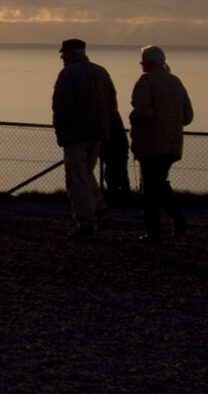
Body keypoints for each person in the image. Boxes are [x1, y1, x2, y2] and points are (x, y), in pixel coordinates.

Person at [51, 37, 117, 238]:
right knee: (87, 173)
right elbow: (112, 104)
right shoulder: (101, 72)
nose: (62, 57)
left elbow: (61, 106)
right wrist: (105, 127)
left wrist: (60, 129)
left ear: (71, 53)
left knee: (76, 177)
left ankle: (86, 222)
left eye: (64, 53)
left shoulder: (68, 74)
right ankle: (99, 210)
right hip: (98, 133)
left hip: (75, 134)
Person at [129, 45, 194, 244]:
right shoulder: (175, 82)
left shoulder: (146, 81)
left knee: (150, 187)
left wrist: (134, 118)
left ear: (149, 63)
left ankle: (157, 229)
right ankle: (174, 218)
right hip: (173, 143)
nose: (141, 65)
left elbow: (144, 111)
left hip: (151, 142)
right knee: (158, 182)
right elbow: (188, 115)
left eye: (142, 61)